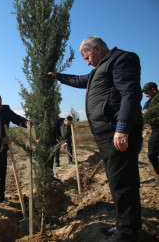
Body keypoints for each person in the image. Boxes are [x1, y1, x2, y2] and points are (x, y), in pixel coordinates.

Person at [48, 36, 143, 241]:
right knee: (118, 181)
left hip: (117, 134)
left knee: (122, 183)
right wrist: (58, 76)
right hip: (107, 136)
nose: (87, 61)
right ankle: (125, 226)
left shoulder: (121, 60)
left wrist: (123, 128)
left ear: (97, 48)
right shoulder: (98, 71)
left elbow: (130, 93)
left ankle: (126, 234)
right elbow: (79, 80)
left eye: (87, 56)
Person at [142, 82, 159, 180]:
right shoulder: (148, 103)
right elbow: (144, 115)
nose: (146, 95)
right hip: (155, 129)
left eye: (147, 92)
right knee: (152, 154)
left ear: (153, 90)